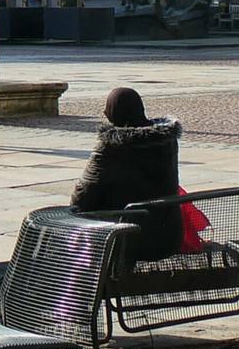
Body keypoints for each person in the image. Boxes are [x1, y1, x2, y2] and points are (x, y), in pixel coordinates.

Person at [70, 87, 185, 263]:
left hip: (123, 239)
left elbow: (83, 194)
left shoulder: (111, 147)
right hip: (168, 237)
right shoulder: (167, 140)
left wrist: (71, 214)